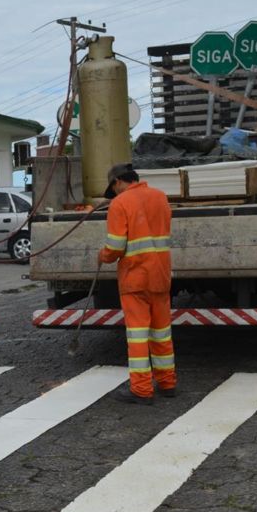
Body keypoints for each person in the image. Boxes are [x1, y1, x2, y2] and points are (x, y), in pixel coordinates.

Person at [98, 163, 177, 404]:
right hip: (161, 275)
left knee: (138, 336)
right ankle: (167, 382)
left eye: (114, 189)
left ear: (118, 182)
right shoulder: (160, 197)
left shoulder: (120, 203)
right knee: (162, 333)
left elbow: (115, 247)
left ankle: (141, 389)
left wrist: (103, 256)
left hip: (135, 279)